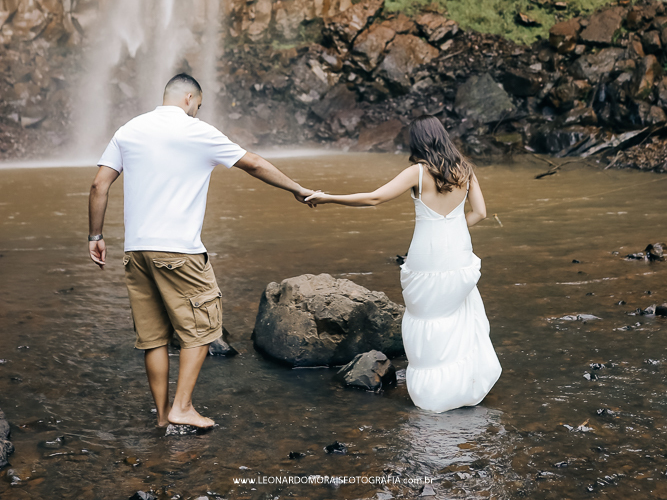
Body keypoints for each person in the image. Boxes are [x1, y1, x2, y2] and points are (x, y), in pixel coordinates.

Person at [88, 72, 314, 430]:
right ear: (190, 99)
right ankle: (182, 407)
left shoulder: (128, 130)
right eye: (198, 106)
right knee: (203, 328)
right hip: (180, 253)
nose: (197, 112)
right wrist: (296, 189)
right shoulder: (197, 131)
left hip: (137, 253)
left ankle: (163, 417)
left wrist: (95, 235)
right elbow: (252, 163)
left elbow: (100, 184)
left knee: (154, 338)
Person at [305, 115, 501, 412]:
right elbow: (481, 213)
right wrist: (454, 231)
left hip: (427, 256)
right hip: (459, 253)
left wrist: (328, 197)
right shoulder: (466, 170)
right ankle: (464, 387)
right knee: (456, 319)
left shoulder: (419, 172)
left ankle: (434, 394)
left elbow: (374, 198)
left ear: (418, 141)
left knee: (427, 320)